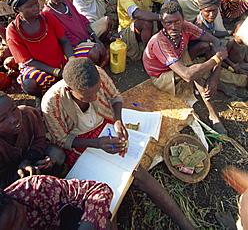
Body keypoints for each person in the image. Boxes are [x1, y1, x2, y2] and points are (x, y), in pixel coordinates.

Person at [42, 57, 195, 230]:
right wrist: (96, 143)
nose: (94, 99)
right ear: (70, 89)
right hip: (79, 143)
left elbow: (114, 97)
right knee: (101, 193)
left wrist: (117, 121)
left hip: (104, 128)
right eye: (87, 96)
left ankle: (186, 225)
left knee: (138, 173)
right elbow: (61, 139)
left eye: (96, 92)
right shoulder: (51, 103)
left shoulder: (98, 73)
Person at [143, 1, 228, 135]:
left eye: (177, 22)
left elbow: (216, 42)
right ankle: (213, 115)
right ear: (162, 23)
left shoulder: (187, 27)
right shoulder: (160, 43)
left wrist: (214, 77)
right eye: (168, 23)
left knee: (206, 47)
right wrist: (216, 59)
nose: (173, 27)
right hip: (160, 75)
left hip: (179, 57)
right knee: (193, 72)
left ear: (183, 19)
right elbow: (187, 75)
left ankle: (215, 83)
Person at [5, 0, 92, 97]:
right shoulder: (13, 31)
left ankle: (67, 82)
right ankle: (41, 96)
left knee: (93, 52)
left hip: (61, 59)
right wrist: (56, 72)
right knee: (30, 84)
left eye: (36, 3)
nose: (36, 7)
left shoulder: (47, 17)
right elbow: (28, 61)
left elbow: (64, 41)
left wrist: (72, 62)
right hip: (39, 68)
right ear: (17, 9)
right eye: (30, 6)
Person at [41, 0, 109, 68]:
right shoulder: (48, 13)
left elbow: (82, 19)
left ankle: (100, 49)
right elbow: (66, 37)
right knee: (95, 52)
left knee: (107, 22)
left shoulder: (66, 2)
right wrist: (88, 41)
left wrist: (94, 36)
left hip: (85, 35)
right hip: (73, 45)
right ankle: (96, 60)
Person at [0, 91, 65, 189]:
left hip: (30, 157)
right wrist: (21, 173)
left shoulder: (28, 115)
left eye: (14, 109)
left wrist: (30, 160)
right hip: (9, 175)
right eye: (3, 119)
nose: (14, 118)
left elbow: (39, 140)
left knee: (57, 154)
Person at [1, 175, 113, 230]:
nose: (19, 228)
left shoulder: (32, 189)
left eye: (16, 216)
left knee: (102, 222)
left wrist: (88, 224)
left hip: (60, 222)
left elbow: (99, 190)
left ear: (11, 198)